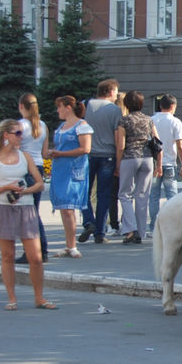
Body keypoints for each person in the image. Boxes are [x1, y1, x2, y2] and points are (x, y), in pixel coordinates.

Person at [0, 119, 51, 310]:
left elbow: (39, 183)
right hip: (2, 208)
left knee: (35, 256)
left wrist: (22, 191)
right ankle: (12, 298)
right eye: (17, 133)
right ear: (6, 136)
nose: (21, 136)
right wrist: (7, 188)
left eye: (21, 133)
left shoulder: (25, 156)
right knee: (7, 255)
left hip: (26, 208)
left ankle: (39, 297)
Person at [47, 96, 93, 259]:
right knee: (63, 207)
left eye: (59, 107)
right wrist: (52, 153)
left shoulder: (82, 126)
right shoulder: (61, 126)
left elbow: (85, 148)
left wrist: (61, 153)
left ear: (68, 107)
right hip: (61, 169)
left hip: (74, 169)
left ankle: (72, 245)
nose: (57, 111)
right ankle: (68, 245)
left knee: (69, 208)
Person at [79, 78, 121, 244]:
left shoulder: (86, 105)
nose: (117, 97)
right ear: (110, 92)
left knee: (84, 192)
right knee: (104, 194)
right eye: (116, 93)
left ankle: (88, 220)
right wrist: (118, 162)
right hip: (108, 155)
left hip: (88, 154)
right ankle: (100, 232)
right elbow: (118, 139)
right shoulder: (115, 110)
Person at [116, 91, 161, 244]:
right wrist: (158, 164)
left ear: (127, 104)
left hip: (130, 157)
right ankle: (141, 233)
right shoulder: (149, 120)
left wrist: (118, 163)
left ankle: (131, 228)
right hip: (147, 158)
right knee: (142, 196)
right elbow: (157, 141)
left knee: (125, 194)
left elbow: (121, 145)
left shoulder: (124, 120)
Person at [15, 93, 49, 263]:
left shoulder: (20, 125)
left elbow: (14, 147)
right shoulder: (42, 125)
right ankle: (42, 249)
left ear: (22, 106)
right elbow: (44, 152)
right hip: (39, 166)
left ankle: (32, 251)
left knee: (26, 213)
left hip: (25, 168)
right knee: (33, 212)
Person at [148, 94, 182, 235]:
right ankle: (174, 227)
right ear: (173, 106)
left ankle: (153, 227)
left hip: (154, 163)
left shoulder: (151, 120)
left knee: (154, 196)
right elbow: (180, 144)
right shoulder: (176, 122)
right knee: (172, 196)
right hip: (170, 162)